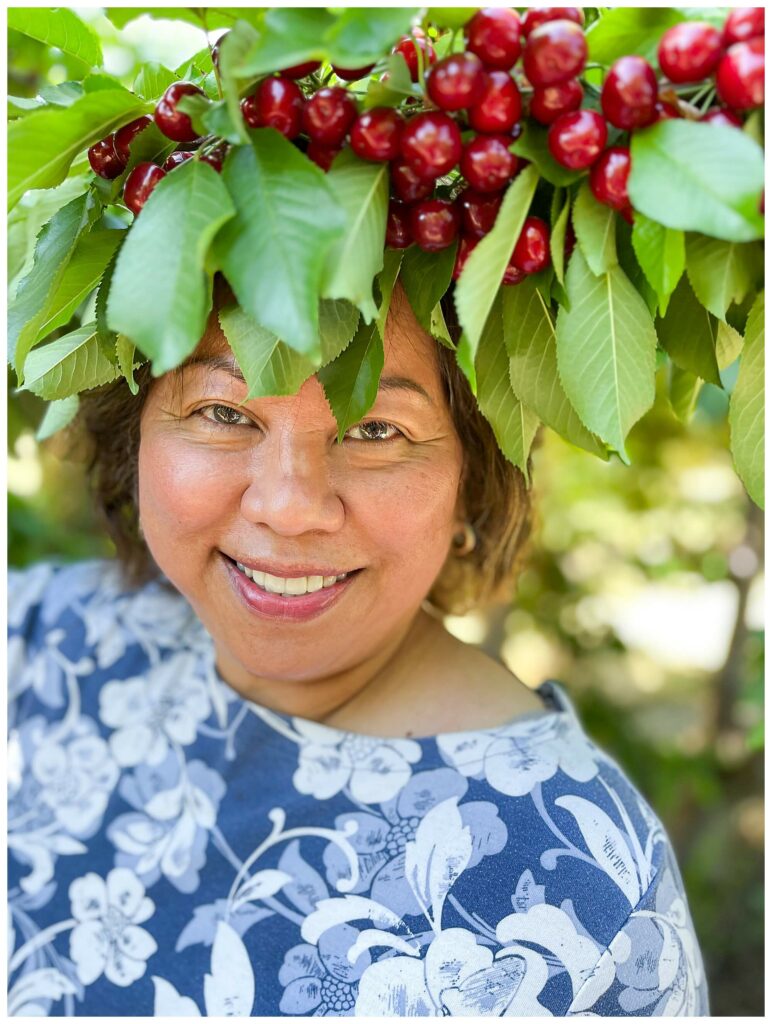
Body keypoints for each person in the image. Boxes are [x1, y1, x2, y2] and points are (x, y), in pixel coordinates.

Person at [8, 280, 709, 1017]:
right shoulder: (41, 639)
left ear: (475, 476)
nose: (287, 506)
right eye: (223, 412)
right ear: (135, 434)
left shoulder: (589, 908)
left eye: (376, 430)